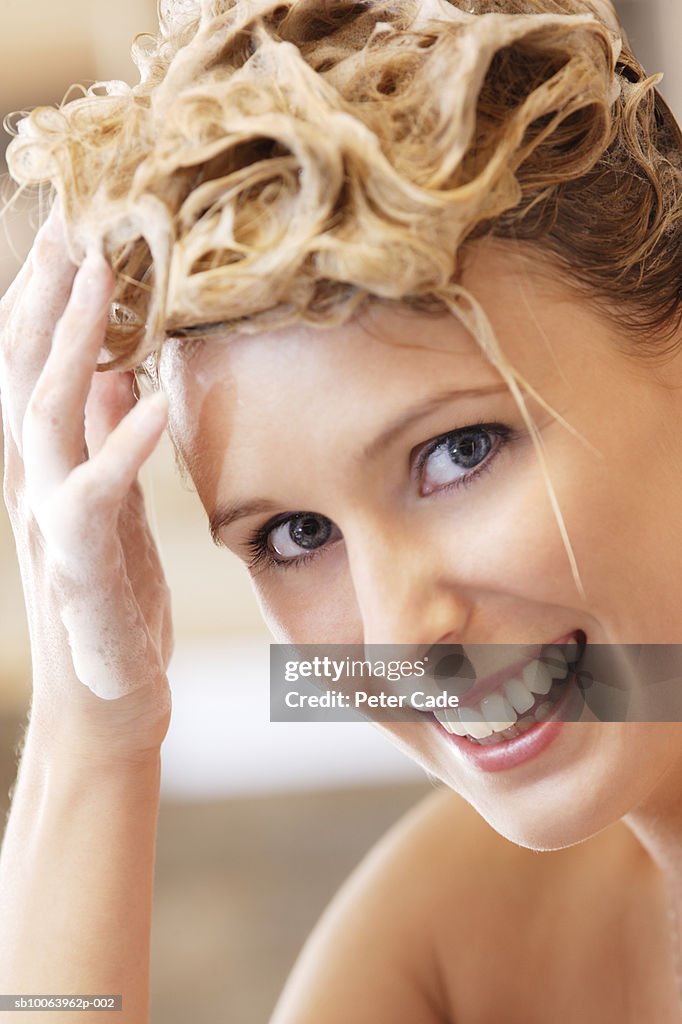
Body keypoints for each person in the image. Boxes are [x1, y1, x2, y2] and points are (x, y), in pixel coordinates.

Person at [2, 0, 682, 1019]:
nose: (400, 633)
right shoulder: (452, 939)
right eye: (296, 534)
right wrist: (91, 731)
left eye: (456, 453)